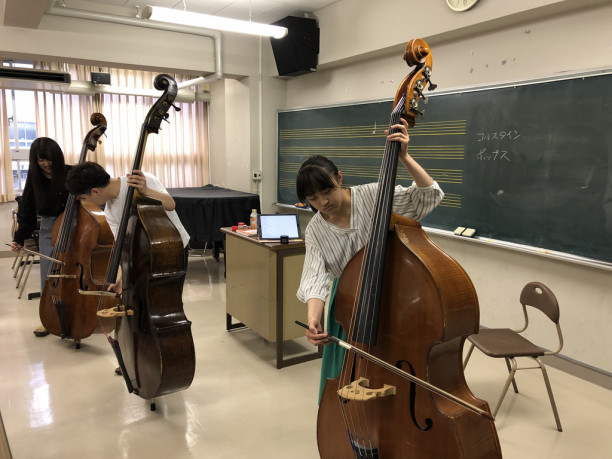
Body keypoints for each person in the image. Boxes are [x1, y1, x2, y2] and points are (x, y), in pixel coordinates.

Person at [295, 118, 444, 402]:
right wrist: (314, 319)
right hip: (349, 303)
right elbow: (315, 279)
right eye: (313, 199)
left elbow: (428, 197)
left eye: (327, 191)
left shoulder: (374, 195)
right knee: (348, 370)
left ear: (339, 178)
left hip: (391, 292)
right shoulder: (315, 229)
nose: (323, 203)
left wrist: (406, 158)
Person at [65, 161, 190, 295]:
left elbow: (170, 204)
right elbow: (121, 245)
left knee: (168, 298)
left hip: (172, 248)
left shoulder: (140, 181)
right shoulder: (109, 211)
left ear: (96, 191)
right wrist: (120, 276)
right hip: (144, 256)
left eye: (84, 197)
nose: (86, 202)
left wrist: (146, 191)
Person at [11, 137, 71, 337]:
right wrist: (19, 238)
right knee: (48, 274)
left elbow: (99, 182)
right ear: (35, 161)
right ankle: (48, 319)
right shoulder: (34, 179)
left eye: (49, 159)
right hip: (49, 225)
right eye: (41, 160)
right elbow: (26, 210)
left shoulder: (71, 173)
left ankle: (79, 313)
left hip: (75, 224)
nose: (46, 164)